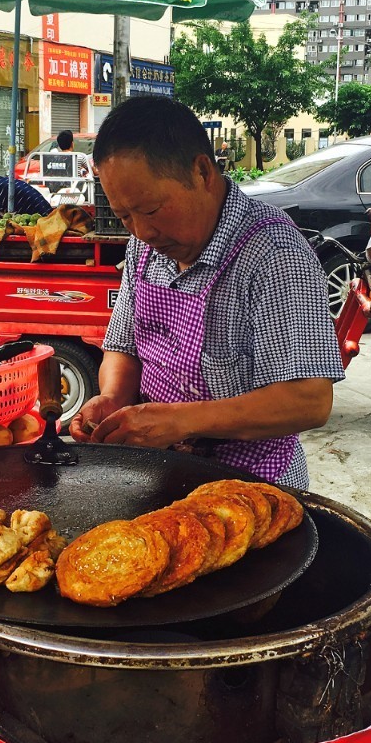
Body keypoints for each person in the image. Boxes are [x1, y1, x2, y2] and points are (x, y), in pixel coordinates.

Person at [67, 97, 343, 490]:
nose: (141, 232)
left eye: (151, 210)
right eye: (124, 216)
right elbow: (123, 346)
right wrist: (113, 397)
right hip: (160, 475)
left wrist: (180, 421)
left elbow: (309, 400)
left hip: (253, 485)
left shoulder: (274, 255)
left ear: (201, 172)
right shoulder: (144, 247)